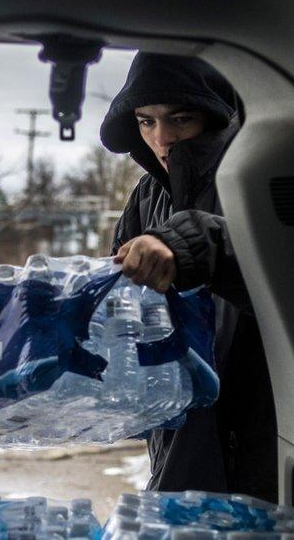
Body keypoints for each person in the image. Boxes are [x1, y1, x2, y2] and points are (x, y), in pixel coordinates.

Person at [100, 52, 277, 502]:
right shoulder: (148, 194)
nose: (162, 138)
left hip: (262, 448)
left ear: (217, 114)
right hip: (179, 445)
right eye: (145, 121)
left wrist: (186, 245)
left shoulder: (260, 180)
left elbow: (271, 261)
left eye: (180, 117)